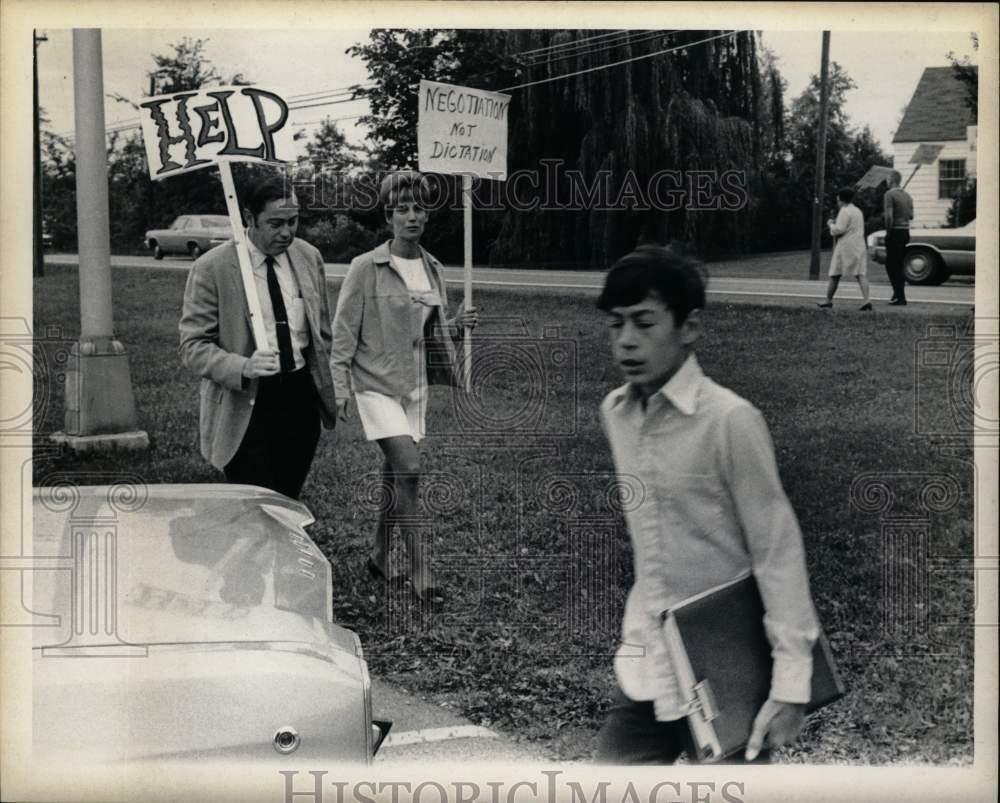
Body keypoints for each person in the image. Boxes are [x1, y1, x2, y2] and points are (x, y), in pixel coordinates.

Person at [593, 245, 820, 765]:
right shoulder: (616, 413)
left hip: (727, 666)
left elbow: (777, 552)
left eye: (644, 323)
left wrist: (789, 684)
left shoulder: (730, 422)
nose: (626, 340)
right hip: (648, 657)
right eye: (616, 324)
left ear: (689, 327)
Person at [331, 170, 478, 606]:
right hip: (375, 384)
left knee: (395, 471)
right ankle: (419, 569)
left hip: (415, 387)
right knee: (410, 468)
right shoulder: (367, 268)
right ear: (389, 216)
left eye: (419, 208)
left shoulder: (434, 269)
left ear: (428, 215)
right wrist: (340, 387)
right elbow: (343, 334)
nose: (411, 216)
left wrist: (456, 326)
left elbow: (427, 331)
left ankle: (379, 554)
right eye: (402, 209)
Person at [179, 175, 337, 499]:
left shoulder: (308, 257)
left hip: (299, 399)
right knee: (254, 506)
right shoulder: (213, 267)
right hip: (245, 405)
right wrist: (242, 366)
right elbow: (192, 346)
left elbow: (322, 333)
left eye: (293, 221)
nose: (286, 232)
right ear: (249, 219)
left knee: (287, 501)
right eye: (275, 223)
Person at [818, 187, 871, 310]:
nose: (837, 203)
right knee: (860, 273)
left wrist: (831, 224)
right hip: (859, 244)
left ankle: (828, 300)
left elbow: (838, 230)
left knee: (835, 273)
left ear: (842, 200)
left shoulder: (844, 211)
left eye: (838, 200)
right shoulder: (858, 211)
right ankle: (867, 300)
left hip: (846, 246)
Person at [883, 169, 914, 306]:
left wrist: (888, 232)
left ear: (892, 179)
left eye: (887, 178)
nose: (886, 181)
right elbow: (911, 216)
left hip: (895, 231)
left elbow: (889, 216)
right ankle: (897, 294)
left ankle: (900, 297)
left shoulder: (889, 194)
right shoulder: (907, 196)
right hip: (905, 231)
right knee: (899, 264)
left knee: (891, 265)